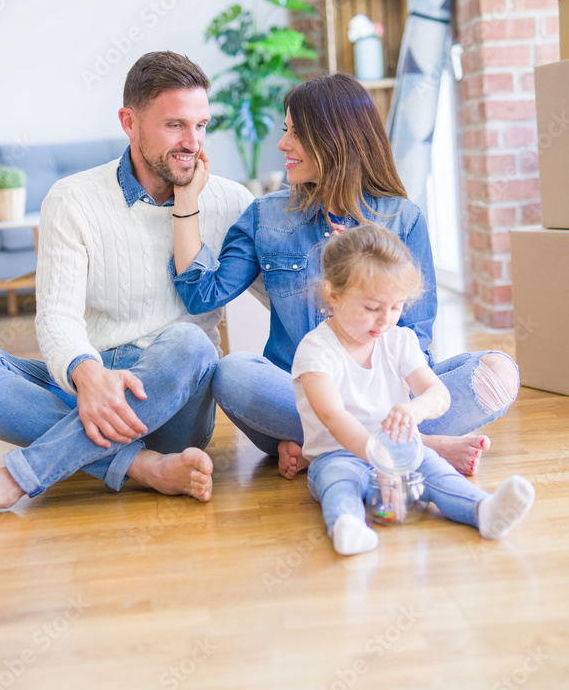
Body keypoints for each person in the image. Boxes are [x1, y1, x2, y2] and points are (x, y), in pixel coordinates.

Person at [0, 51, 255, 530]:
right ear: (129, 122)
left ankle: (4, 484)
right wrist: (86, 374)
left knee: (191, 342)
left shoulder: (231, 201)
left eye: (201, 125)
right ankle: (138, 466)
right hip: (86, 383)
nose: (191, 143)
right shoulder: (73, 198)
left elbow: (286, 293)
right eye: (175, 125)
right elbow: (56, 317)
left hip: (171, 396)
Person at [171, 72, 520, 480]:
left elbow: (415, 334)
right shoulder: (266, 216)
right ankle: (418, 449)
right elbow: (201, 294)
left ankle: (327, 450)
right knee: (232, 374)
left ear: (335, 137)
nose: (283, 144)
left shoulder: (403, 219)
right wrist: (186, 199)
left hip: (381, 401)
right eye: (286, 131)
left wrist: (408, 400)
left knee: (499, 373)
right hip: (297, 401)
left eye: (296, 134)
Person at [290, 223, 534, 556]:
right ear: (334, 296)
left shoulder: (397, 340)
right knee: (338, 483)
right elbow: (334, 416)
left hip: (400, 450)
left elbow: (439, 394)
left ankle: (484, 510)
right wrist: (382, 461)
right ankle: (346, 525)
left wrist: (415, 409)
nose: (385, 320)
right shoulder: (316, 349)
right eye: (372, 308)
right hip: (339, 454)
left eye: (396, 307)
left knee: (437, 472)